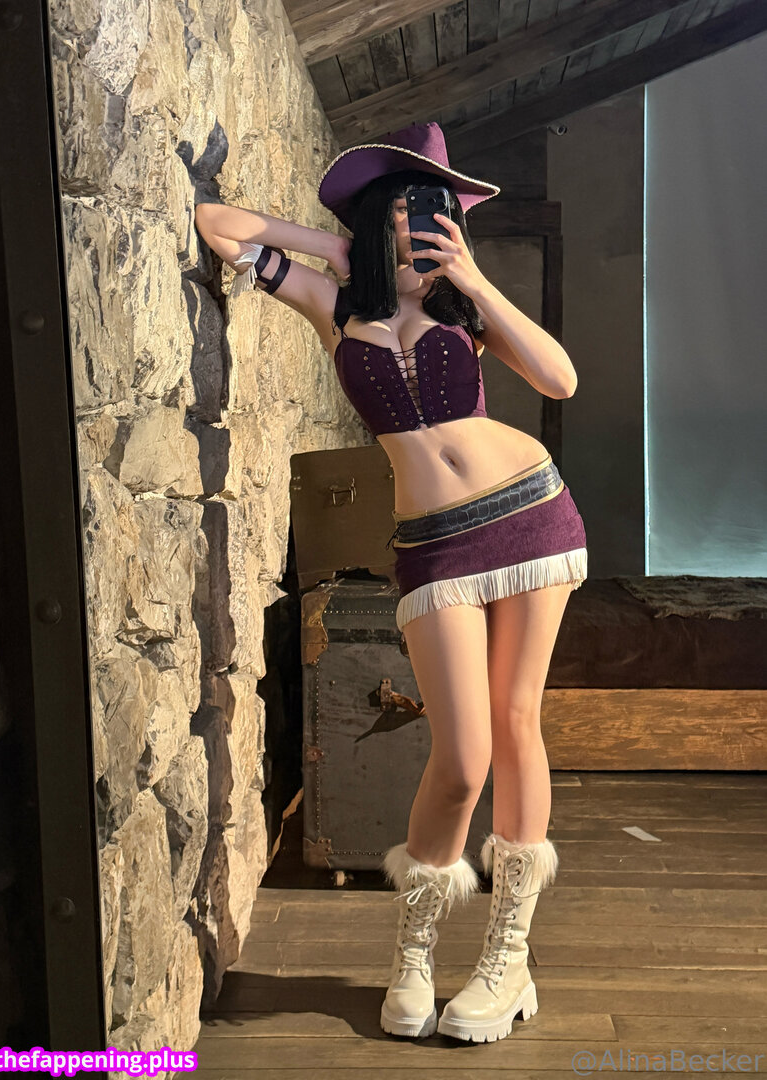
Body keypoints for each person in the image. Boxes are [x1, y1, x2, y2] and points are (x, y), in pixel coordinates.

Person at [194, 121, 587, 1044]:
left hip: (528, 512)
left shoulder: (466, 310)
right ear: (377, 221)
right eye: (406, 210)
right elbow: (219, 226)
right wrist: (335, 248)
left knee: (517, 724)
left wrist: (475, 281)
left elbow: (561, 380)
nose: (423, 225)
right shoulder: (336, 307)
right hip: (434, 545)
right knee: (460, 758)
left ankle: (508, 958)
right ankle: (413, 952)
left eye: (437, 209)